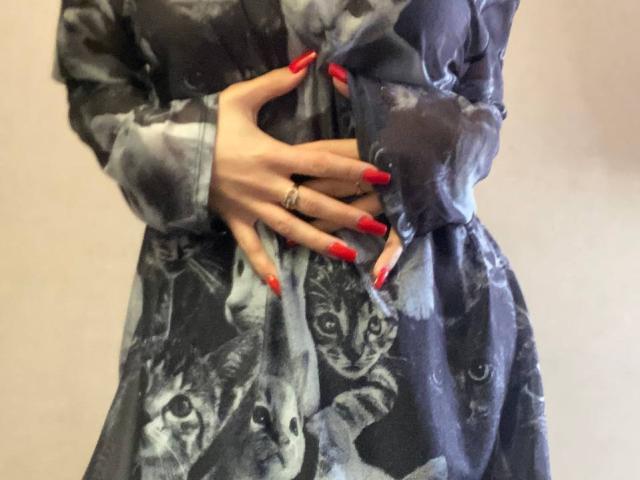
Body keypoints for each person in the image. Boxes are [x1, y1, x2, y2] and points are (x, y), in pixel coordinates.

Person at [52, 0, 551, 478]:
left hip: (428, 341)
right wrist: (195, 153)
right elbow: (94, 79)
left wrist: (430, 153)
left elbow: (482, 95)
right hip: (211, 345)